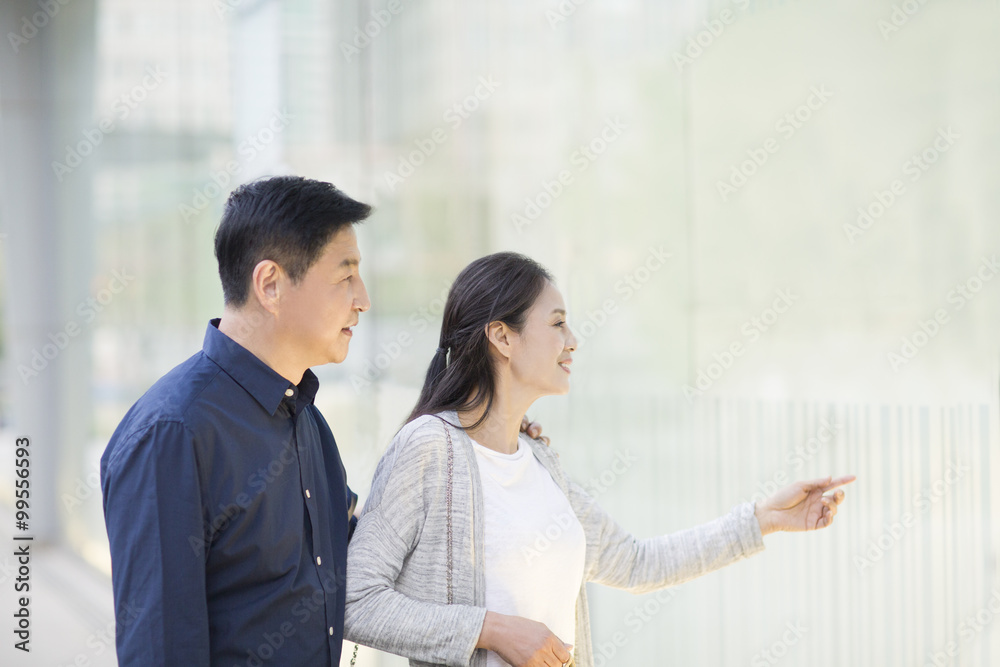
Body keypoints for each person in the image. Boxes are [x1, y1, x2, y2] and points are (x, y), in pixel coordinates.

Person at [344, 251, 855, 667]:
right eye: (558, 323)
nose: (572, 341)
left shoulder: (539, 460)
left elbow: (636, 563)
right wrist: (493, 630)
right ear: (502, 336)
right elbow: (356, 599)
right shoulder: (429, 449)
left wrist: (763, 520)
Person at [101, 176, 373, 665]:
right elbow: (161, 650)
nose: (363, 299)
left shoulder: (308, 421)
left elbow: (366, 549)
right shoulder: (173, 434)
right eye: (345, 276)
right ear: (270, 284)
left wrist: (482, 434)